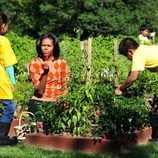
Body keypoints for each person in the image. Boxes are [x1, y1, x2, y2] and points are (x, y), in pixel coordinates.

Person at [115, 37, 158, 141]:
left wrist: (120, 88)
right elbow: (131, 73)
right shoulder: (143, 49)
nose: (128, 58)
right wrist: (124, 85)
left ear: (130, 51)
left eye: (127, 56)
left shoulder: (138, 55)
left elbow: (134, 76)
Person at [28, 33, 69, 114]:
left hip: (56, 103)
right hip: (39, 102)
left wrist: (61, 101)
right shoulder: (34, 63)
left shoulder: (62, 63)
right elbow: (39, 91)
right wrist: (45, 72)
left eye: (49, 46)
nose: (46, 48)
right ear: (40, 46)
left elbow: (65, 86)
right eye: (43, 45)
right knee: (38, 126)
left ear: (54, 47)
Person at [0, 12, 18, 145]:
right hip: (1, 79)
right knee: (10, 106)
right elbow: (9, 64)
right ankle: (2, 137)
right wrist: (12, 82)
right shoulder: (3, 41)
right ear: (3, 25)